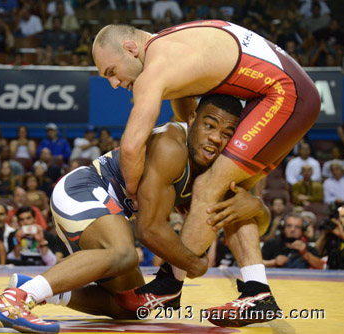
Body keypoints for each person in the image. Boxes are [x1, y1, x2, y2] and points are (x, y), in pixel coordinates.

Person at [92, 20, 320, 326]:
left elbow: (132, 148)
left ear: (131, 49)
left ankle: (169, 283)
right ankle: (257, 291)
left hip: (284, 93)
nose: (114, 83)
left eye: (111, 72)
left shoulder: (156, 68)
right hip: (282, 91)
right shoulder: (175, 51)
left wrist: (132, 195)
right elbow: (189, 123)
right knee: (223, 188)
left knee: (209, 186)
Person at [0, 95, 270, 332]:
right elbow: (149, 231)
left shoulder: (217, 167)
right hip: (87, 187)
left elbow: (257, 226)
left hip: (111, 209)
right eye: (210, 126)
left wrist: (258, 207)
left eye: (227, 134)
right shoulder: (171, 146)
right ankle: (13, 300)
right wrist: (194, 265)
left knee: (129, 308)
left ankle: (39, 288)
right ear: (192, 119)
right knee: (124, 253)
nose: (216, 139)